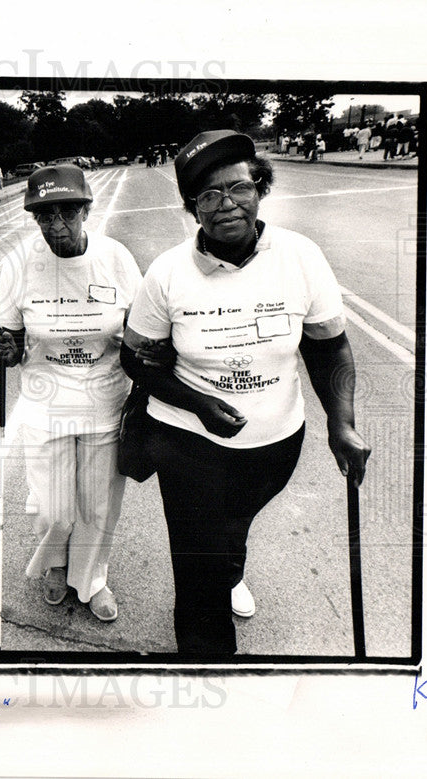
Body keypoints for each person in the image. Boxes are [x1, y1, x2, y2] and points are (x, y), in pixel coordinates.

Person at [121, 130, 372, 656]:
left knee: (230, 533)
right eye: (208, 196)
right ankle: (209, 667)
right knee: (197, 568)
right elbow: (134, 356)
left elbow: (330, 349)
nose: (226, 205)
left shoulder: (301, 256)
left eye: (238, 187)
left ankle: (228, 563)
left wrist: (341, 424)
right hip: (187, 440)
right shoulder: (167, 273)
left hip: (276, 444)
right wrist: (197, 404)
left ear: (261, 188)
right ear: (193, 209)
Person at [0, 164, 143, 622]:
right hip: (45, 403)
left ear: (86, 210)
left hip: (105, 401)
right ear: (33, 218)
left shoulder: (116, 259)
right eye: (44, 215)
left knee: (97, 508)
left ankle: (90, 579)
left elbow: (141, 332)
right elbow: (9, 345)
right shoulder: (20, 264)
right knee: (56, 511)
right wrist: (2, 350)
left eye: (67, 212)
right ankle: (55, 561)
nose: (56, 225)